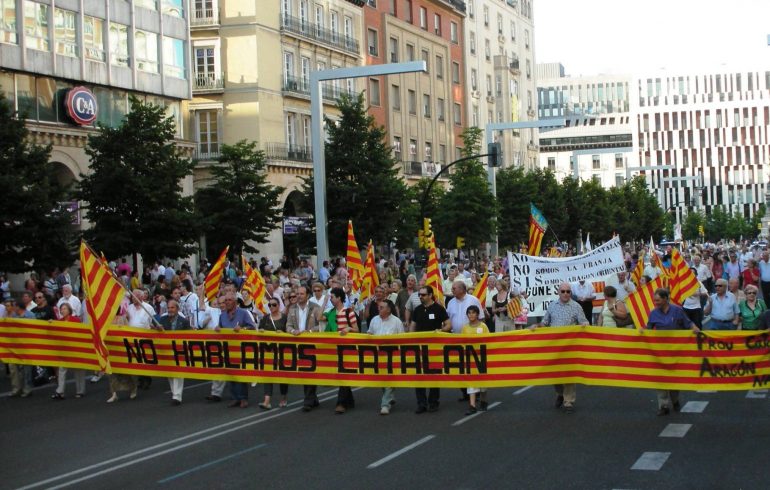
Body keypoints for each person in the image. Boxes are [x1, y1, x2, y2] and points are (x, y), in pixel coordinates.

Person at [531, 282, 589, 413]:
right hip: (554, 346)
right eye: (563, 291)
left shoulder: (576, 307)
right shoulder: (552, 306)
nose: (566, 294)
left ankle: (569, 402)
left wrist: (585, 324)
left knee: (569, 374)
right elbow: (545, 322)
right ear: (558, 292)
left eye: (568, 291)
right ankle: (560, 393)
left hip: (570, 347)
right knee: (555, 374)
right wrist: (537, 326)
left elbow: (583, 321)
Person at [645, 288, 699, 416]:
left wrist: (694, 328)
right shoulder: (653, 313)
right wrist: (642, 332)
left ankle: (675, 400)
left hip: (676, 351)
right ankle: (663, 405)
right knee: (660, 378)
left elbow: (688, 323)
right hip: (660, 352)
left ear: (665, 299)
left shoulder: (678, 310)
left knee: (674, 377)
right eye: (654, 300)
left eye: (658, 300)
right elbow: (648, 329)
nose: (655, 302)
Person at [409, 285, 451, 413]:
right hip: (420, 348)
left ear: (430, 295)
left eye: (423, 295)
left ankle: (433, 402)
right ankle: (421, 403)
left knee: (434, 375)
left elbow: (448, 324)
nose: (421, 297)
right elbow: (412, 326)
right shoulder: (417, 310)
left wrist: (441, 330)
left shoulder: (439, 309)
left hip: (434, 349)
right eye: (419, 295)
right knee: (419, 376)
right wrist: (410, 338)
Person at [286, 286, 323, 412]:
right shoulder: (292, 309)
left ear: (307, 295)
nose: (299, 296)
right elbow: (288, 326)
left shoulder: (315, 308)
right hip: (298, 344)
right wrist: (293, 331)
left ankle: (308, 401)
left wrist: (310, 331)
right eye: (297, 294)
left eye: (301, 294)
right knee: (304, 372)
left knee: (310, 371)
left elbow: (322, 325)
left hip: (312, 344)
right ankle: (313, 398)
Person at [218, 291, 257, 408]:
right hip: (227, 349)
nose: (227, 303)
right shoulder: (222, 315)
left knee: (240, 374)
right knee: (230, 374)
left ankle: (243, 398)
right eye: (225, 301)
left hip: (240, 349)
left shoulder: (243, 313)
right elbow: (220, 328)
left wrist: (242, 328)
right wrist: (217, 329)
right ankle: (234, 397)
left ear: (235, 302)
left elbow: (252, 327)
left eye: (229, 300)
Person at [325, 287, 359, 414]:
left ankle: (341, 402)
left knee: (343, 373)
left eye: (332, 297)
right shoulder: (331, 312)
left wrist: (349, 329)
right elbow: (319, 318)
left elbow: (357, 329)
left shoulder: (348, 312)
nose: (331, 299)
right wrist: (324, 303)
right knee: (341, 373)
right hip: (335, 348)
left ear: (339, 298)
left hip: (346, 348)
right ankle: (349, 400)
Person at [367, 299, 404, 415]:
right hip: (377, 355)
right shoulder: (374, 320)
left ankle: (385, 404)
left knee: (389, 379)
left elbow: (402, 338)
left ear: (388, 309)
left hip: (391, 355)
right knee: (382, 380)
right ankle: (390, 396)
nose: (379, 308)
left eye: (382, 307)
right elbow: (370, 333)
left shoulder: (397, 322)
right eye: (379, 307)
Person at [158, 299, 191, 405]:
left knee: (178, 373)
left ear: (177, 309)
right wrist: (157, 329)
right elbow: (154, 332)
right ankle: (174, 393)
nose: (170, 310)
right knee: (170, 373)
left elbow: (190, 336)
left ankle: (177, 396)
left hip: (179, 351)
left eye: (172, 307)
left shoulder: (184, 321)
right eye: (168, 308)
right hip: (167, 351)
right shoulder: (162, 320)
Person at [50, 304, 86, 400]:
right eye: (61, 309)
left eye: (64, 308)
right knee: (62, 370)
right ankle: (60, 391)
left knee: (78, 370)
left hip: (76, 349)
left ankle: (80, 391)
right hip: (65, 350)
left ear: (69, 310)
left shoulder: (75, 320)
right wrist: (51, 323)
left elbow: (80, 334)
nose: (62, 310)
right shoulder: (59, 322)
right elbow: (55, 333)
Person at [258, 299, 289, 409]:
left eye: (274, 305)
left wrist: (283, 333)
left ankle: (283, 397)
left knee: (282, 375)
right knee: (268, 375)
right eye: (269, 305)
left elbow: (289, 330)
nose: (271, 307)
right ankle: (267, 401)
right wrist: (261, 330)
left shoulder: (285, 317)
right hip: (268, 352)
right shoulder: (265, 318)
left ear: (279, 306)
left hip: (282, 351)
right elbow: (259, 330)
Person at [461, 305, 489, 415]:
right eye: (469, 313)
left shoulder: (483, 327)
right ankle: (472, 405)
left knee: (483, 383)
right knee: (471, 381)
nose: (471, 315)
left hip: (481, 358)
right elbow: (462, 342)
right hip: (470, 359)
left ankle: (483, 401)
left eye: (473, 313)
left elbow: (489, 341)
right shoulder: (465, 328)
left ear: (477, 314)